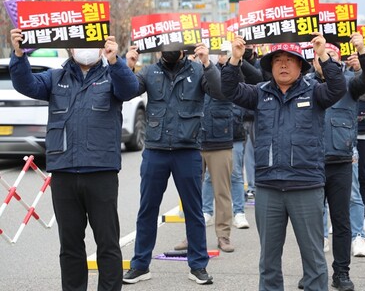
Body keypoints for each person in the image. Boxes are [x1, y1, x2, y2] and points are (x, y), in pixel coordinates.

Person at [8, 28, 138, 291]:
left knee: (108, 244)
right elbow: (25, 84)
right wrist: (19, 54)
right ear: (70, 47)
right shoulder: (56, 77)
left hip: (101, 172)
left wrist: (116, 61)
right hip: (64, 173)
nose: (84, 49)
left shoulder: (113, 75)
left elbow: (130, 89)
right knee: (70, 246)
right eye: (78, 44)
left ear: (103, 46)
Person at [221, 33, 346, 291]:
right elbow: (230, 90)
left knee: (314, 261)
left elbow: (338, 87)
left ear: (301, 66)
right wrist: (235, 59)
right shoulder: (260, 94)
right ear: (270, 67)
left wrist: (323, 55)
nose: (284, 65)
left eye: (290, 60)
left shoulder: (315, 93)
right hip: (268, 189)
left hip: (306, 187)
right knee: (268, 263)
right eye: (278, 60)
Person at [123, 44, 223, 286]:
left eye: (173, 46)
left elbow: (219, 91)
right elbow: (125, 91)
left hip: (187, 150)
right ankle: (140, 265)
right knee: (147, 209)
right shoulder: (148, 72)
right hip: (156, 150)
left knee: (193, 210)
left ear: (183, 48)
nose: (167, 50)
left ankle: (198, 266)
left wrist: (208, 63)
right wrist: (128, 65)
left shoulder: (199, 70)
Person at [305, 35, 365, 290]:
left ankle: (341, 272)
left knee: (340, 221)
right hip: (311, 163)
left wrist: (363, 52)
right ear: (313, 60)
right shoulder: (303, 84)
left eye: (330, 55)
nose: (324, 60)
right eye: (320, 55)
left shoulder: (349, 83)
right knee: (309, 222)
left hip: (341, 160)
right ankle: (313, 271)